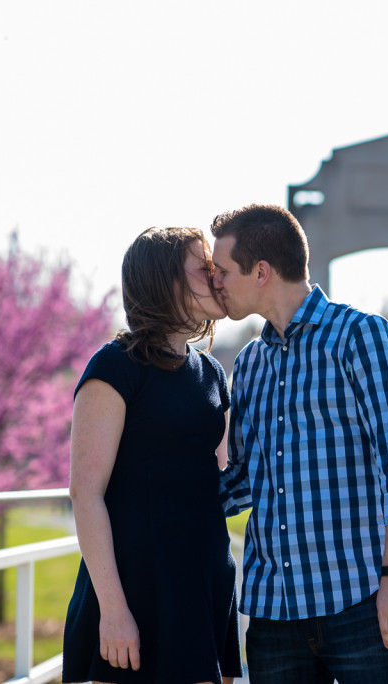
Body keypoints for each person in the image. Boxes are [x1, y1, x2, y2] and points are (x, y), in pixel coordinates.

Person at [210, 204, 388, 684]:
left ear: (261, 272)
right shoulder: (248, 364)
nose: (216, 283)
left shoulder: (360, 337)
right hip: (273, 615)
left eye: (223, 271)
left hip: (363, 604)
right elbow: (246, 478)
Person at [62, 227, 242, 684]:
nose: (217, 278)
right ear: (165, 282)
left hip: (202, 586)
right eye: (204, 269)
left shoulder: (212, 373)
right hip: (133, 590)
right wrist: (114, 610)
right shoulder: (115, 366)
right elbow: (86, 493)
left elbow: (214, 480)